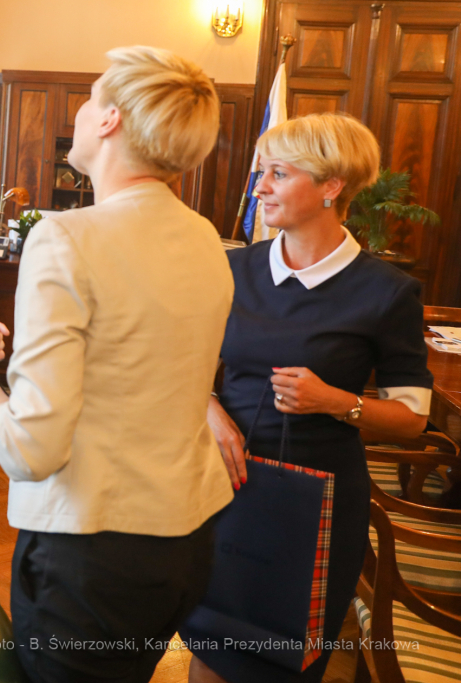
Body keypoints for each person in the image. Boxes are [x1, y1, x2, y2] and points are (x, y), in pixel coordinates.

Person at [0, 46, 235, 682]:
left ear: (110, 119)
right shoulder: (205, 236)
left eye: (89, 99)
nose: (83, 113)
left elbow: (32, 450)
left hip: (93, 555)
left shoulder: (67, 237)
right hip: (185, 540)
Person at [185, 113, 432, 683]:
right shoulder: (232, 268)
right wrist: (209, 409)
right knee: (210, 644)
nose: (260, 187)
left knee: (283, 661)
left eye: (277, 173)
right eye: (260, 173)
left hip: (317, 508)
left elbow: (412, 420)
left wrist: (334, 401)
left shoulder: (388, 293)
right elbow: (182, 360)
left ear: (330, 187)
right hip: (222, 487)